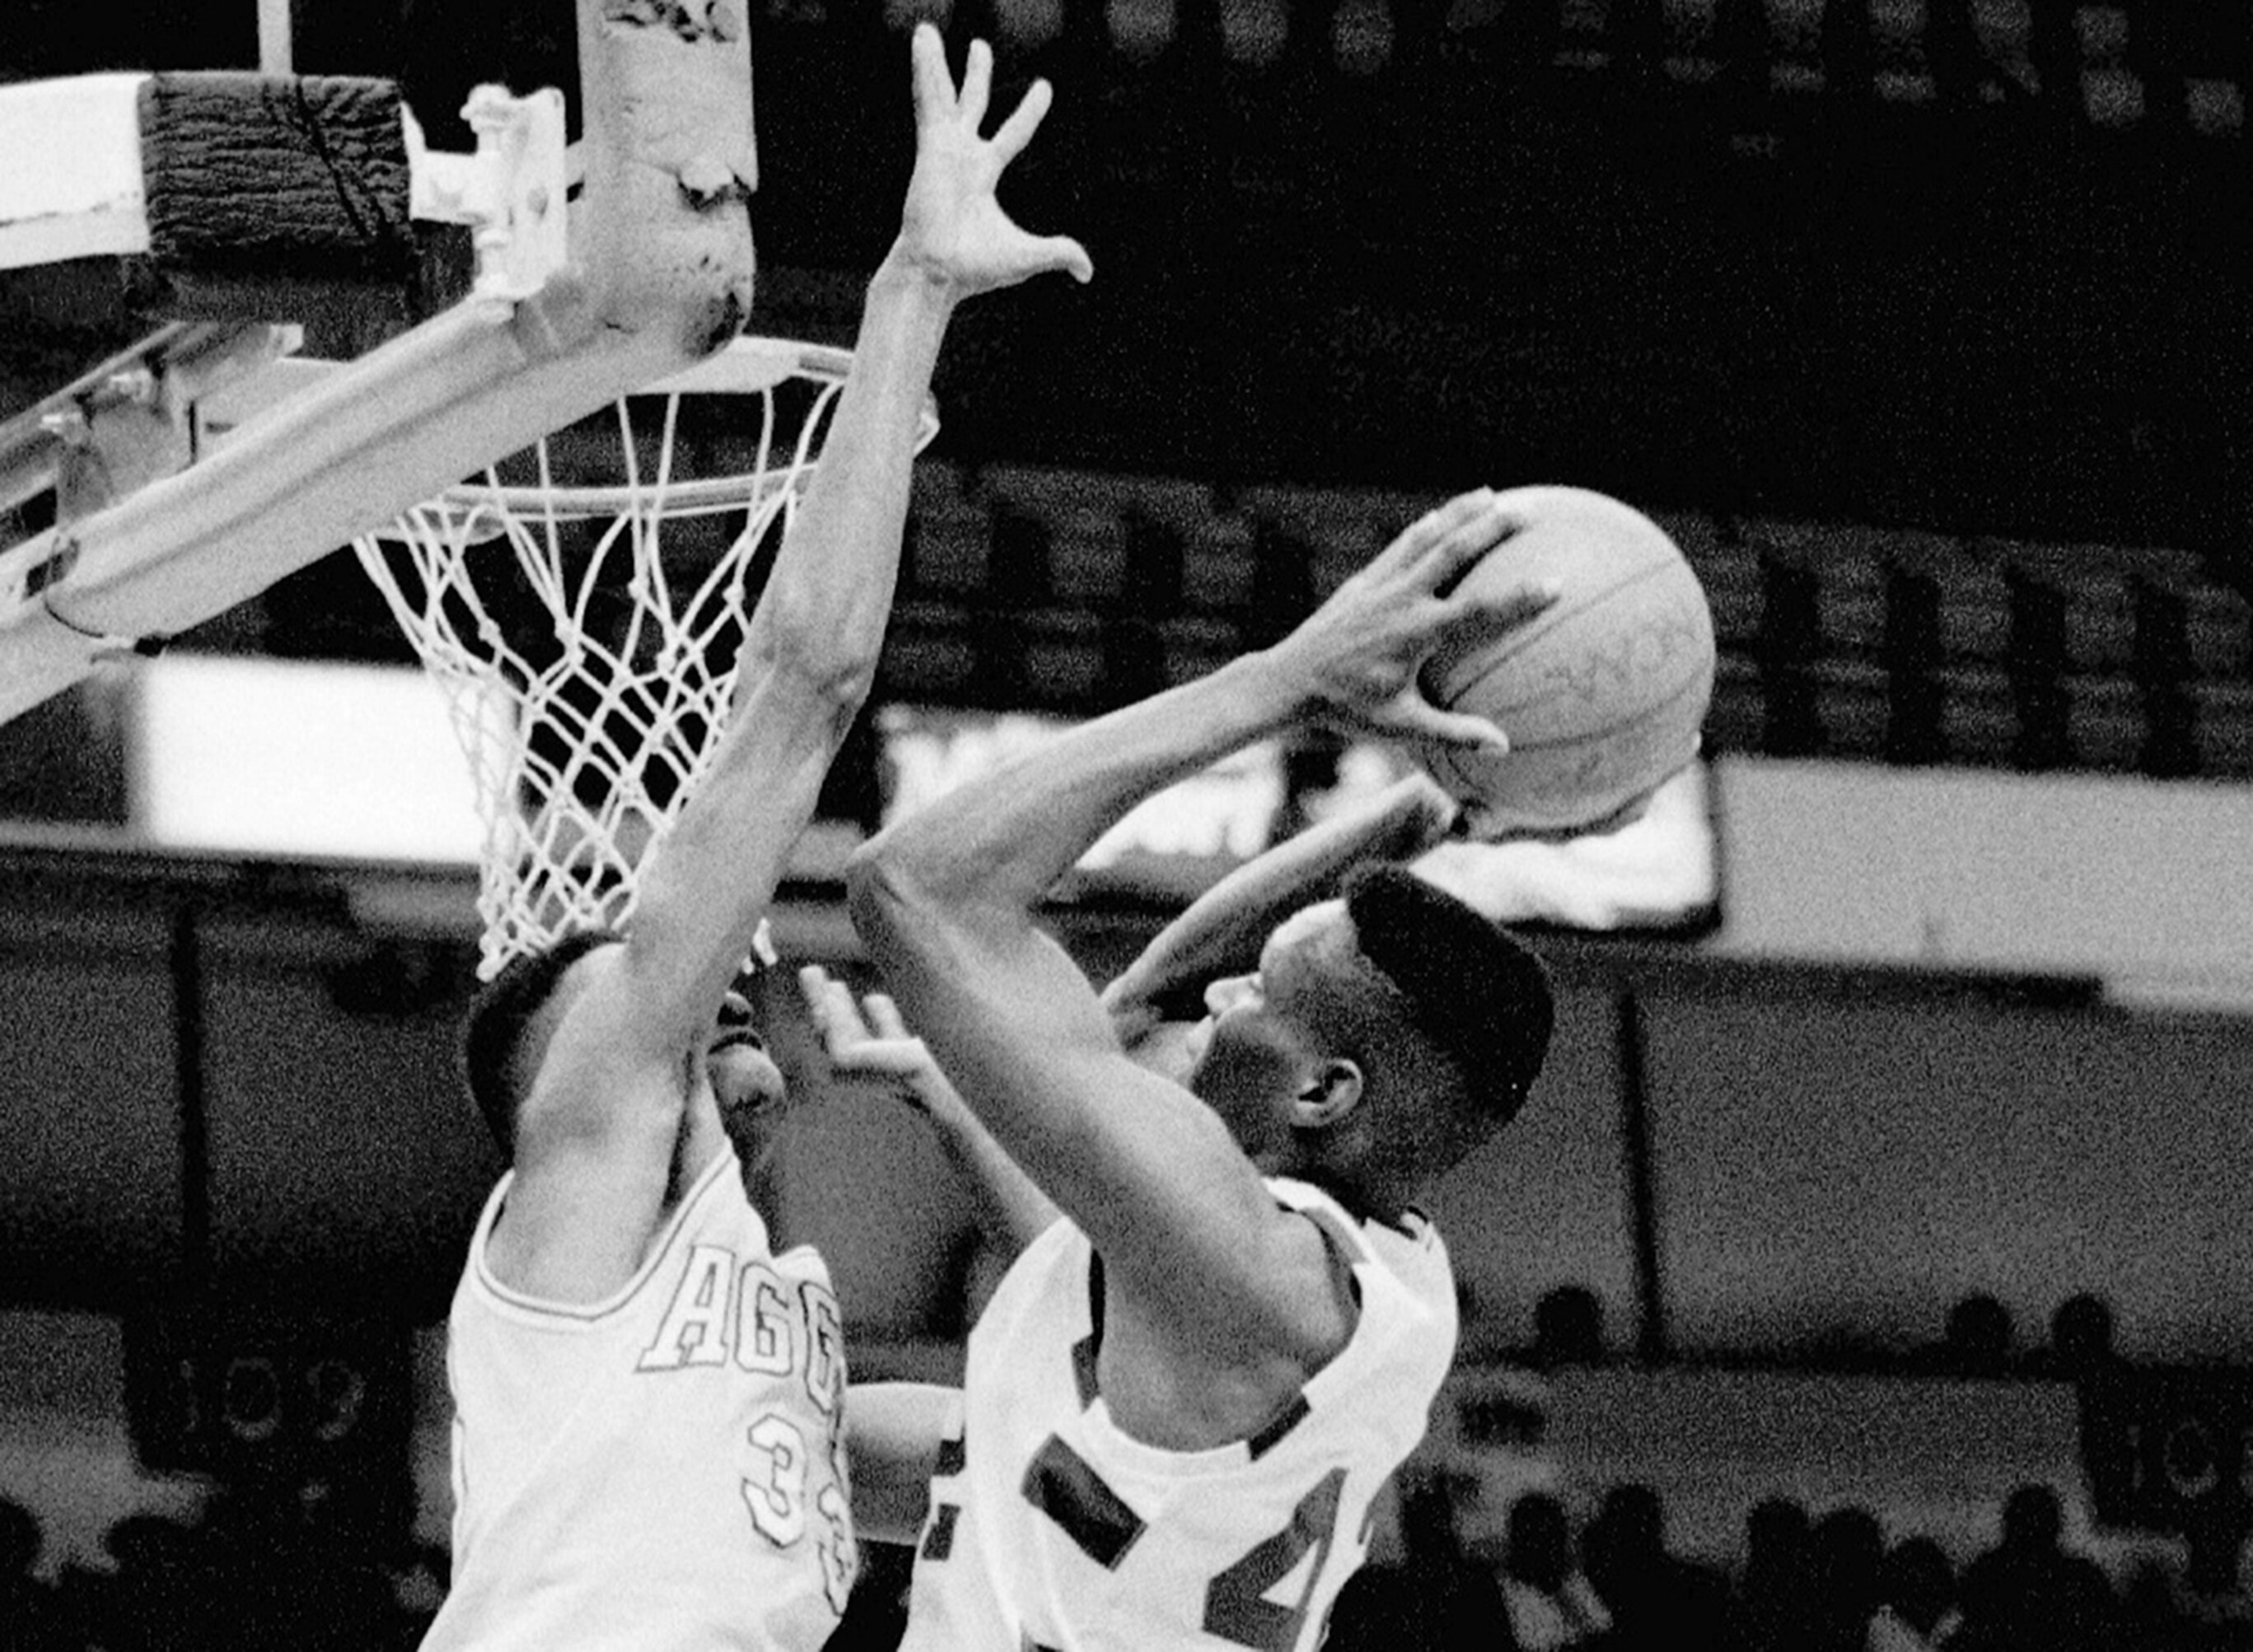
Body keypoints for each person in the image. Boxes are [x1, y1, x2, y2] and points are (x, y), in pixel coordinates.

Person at [421, 27, 1090, 1650]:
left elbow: (1039, 1453)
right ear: (549, 1089)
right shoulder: (583, 1167)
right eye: (618, 981)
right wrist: (910, 299)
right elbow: (800, 691)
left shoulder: (769, 1328)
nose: (694, 983)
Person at [846, 489, 1563, 1650]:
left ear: (1323, 1094)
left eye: (1256, 997)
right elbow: (1146, 1003)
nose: (1218, 993)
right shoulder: (1367, 1272)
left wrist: (1287, 678)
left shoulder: (1243, 1268)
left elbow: (917, 887)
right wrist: (1425, 812)